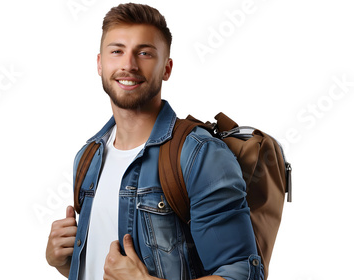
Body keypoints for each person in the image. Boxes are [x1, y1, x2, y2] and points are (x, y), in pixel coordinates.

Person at [46, 3, 264, 280]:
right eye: (117, 51)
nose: (129, 64)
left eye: (145, 53)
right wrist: (64, 263)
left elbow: (243, 273)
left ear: (166, 68)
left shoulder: (199, 155)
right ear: (100, 64)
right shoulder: (88, 156)